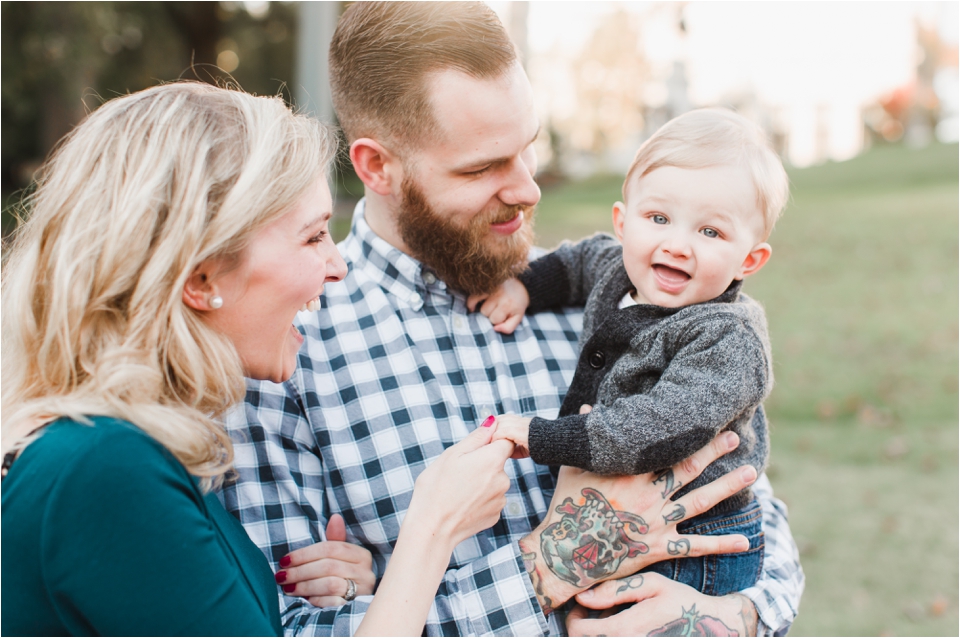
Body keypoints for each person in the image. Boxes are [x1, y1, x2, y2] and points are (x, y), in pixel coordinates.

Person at [222, 3, 804, 636]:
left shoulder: (623, 290)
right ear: (376, 167)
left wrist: (725, 616)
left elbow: (749, 506)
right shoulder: (284, 350)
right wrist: (552, 564)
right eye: (481, 167)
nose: (528, 188)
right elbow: (297, 629)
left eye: (527, 149)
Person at [0, 81, 526, 636]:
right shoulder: (105, 469)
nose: (337, 266)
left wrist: (375, 581)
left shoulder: (126, 451)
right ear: (202, 278)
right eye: (314, 237)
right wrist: (433, 528)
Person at [471, 107, 788, 597]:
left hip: (697, 541)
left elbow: (656, 426)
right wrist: (524, 288)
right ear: (624, 222)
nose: (677, 244)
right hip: (624, 526)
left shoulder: (728, 338)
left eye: (711, 232)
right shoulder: (620, 269)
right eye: (658, 218)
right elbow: (575, 263)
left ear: (749, 258)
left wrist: (544, 438)